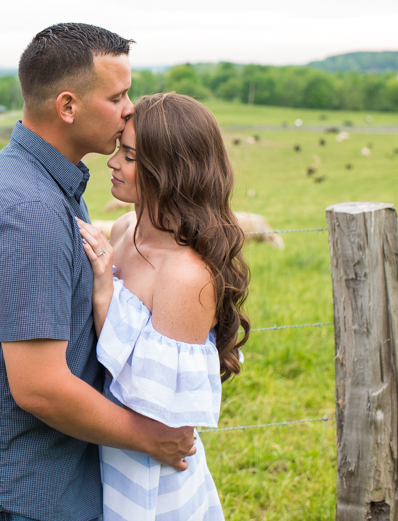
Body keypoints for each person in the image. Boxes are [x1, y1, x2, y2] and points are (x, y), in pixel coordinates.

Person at [0, 24, 197, 521]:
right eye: (117, 96)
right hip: (18, 498)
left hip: (37, 486)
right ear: (67, 106)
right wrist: (152, 438)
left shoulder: (48, 185)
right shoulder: (27, 209)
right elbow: (40, 386)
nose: (129, 108)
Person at [77, 92, 251, 521]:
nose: (113, 162)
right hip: (103, 454)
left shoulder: (186, 274)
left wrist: (104, 294)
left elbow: (153, 400)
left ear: (170, 170)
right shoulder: (123, 227)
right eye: (120, 148)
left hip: (149, 475)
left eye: (130, 156)